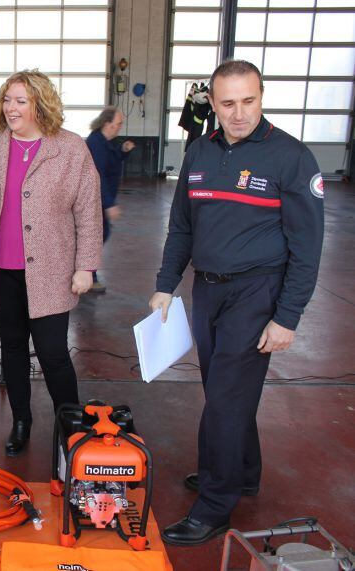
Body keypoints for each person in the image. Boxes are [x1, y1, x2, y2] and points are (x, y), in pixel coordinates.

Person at [148, 60, 324, 546]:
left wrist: (286, 317)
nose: (239, 113)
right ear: (214, 104)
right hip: (208, 289)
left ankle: (215, 503)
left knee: (225, 399)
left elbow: (307, 247)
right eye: (228, 103)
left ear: (261, 97)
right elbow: (182, 224)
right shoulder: (200, 151)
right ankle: (243, 472)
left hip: (257, 291)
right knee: (226, 389)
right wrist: (166, 283)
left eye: (249, 101)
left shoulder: (291, 157)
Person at [0, 70, 101, 457]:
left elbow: (88, 211)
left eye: (21, 100)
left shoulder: (70, 149)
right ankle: (22, 420)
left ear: (41, 104)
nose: (12, 107)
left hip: (52, 270)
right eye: (7, 99)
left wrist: (86, 264)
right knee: (13, 347)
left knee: (54, 352)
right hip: (2, 268)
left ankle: (70, 427)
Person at [86, 106, 135, 293]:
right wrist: (108, 204)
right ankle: (88, 275)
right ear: (107, 124)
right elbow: (98, 177)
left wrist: (123, 151)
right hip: (95, 202)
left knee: (98, 236)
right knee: (95, 237)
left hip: (101, 201)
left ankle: (87, 272)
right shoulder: (96, 144)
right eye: (118, 123)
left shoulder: (104, 141)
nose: (120, 127)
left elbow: (112, 161)